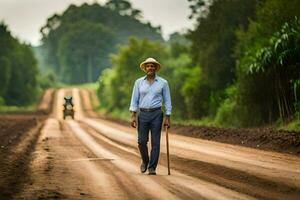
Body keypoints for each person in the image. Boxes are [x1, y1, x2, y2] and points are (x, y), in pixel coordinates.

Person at [129, 57, 172, 175]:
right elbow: (134, 99)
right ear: (145, 68)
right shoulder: (138, 82)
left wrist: (167, 117)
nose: (150, 68)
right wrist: (133, 115)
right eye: (148, 66)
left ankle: (152, 167)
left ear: (156, 68)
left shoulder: (163, 83)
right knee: (141, 141)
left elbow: (167, 100)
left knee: (156, 142)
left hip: (157, 114)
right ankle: (145, 160)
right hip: (142, 114)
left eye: (152, 66)